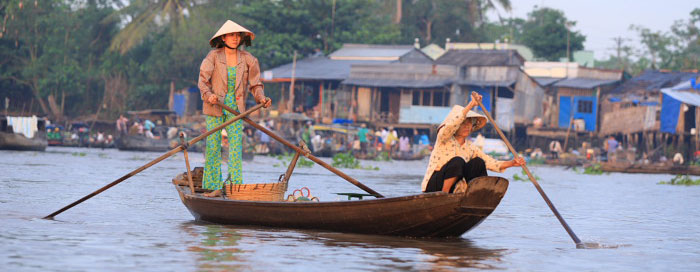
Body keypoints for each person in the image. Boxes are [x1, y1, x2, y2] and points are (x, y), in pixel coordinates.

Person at [198, 20, 271, 197]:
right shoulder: (213, 57)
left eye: (237, 35)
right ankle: (213, 187)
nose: (234, 38)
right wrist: (210, 96)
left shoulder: (249, 59)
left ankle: (234, 188)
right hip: (215, 106)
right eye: (231, 35)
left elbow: (256, 85)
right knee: (214, 147)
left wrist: (262, 98)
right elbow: (202, 81)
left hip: (237, 110)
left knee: (236, 148)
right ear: (223, 38)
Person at [422, 92, 525, 193]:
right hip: (435, 185)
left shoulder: (471, 147)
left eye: (469, 124)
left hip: (456, 189)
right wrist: (471, 105)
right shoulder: (444, 138)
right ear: (457, 126)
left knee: (478, 162)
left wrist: (511, 163)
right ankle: (444, 194)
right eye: (463, 124)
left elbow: (490, 162)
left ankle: (479, 194)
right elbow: (450, 126)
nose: (467, 126)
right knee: (458, 161)